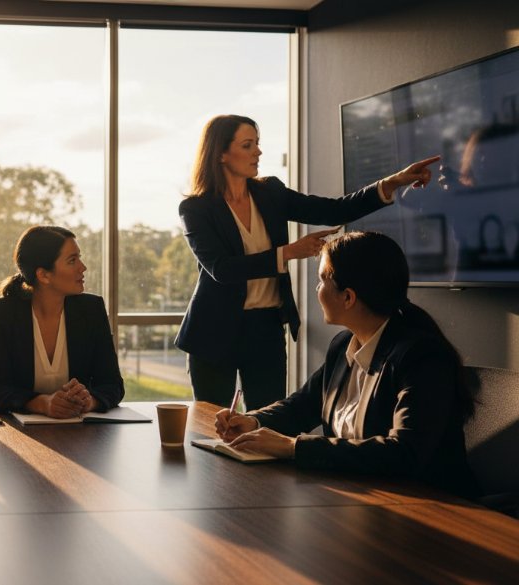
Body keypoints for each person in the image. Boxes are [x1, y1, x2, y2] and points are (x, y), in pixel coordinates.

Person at [176, 114, 441, 410]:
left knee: (266, 423)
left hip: (267, 329)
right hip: (213, 332)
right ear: (221, 154)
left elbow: (333, 210)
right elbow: (222, 269)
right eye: (248, 145)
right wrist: (287, 252)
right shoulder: (195, 209)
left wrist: (389, 184)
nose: (258, 152)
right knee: (210, 429)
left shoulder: (270, 192)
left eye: (257, 144)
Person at [214, 231, 478, 497]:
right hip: (357, 499)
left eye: (321, 281)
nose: (317, 290)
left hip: (429, 508)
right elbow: (303, 405)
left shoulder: (422, 357)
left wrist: (294, 447)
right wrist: (252, 421)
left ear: (348, 297)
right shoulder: (343, 345)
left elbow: (403, 453)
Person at [0, 226, 124, 417]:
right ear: (43, 275)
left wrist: (90, 401)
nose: (83, 267)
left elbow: (112, 384)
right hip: (14, 436)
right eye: (72, 260)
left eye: (79, 257)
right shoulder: (1, 313)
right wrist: (43, 404)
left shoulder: (91, 310)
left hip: (80, 435)